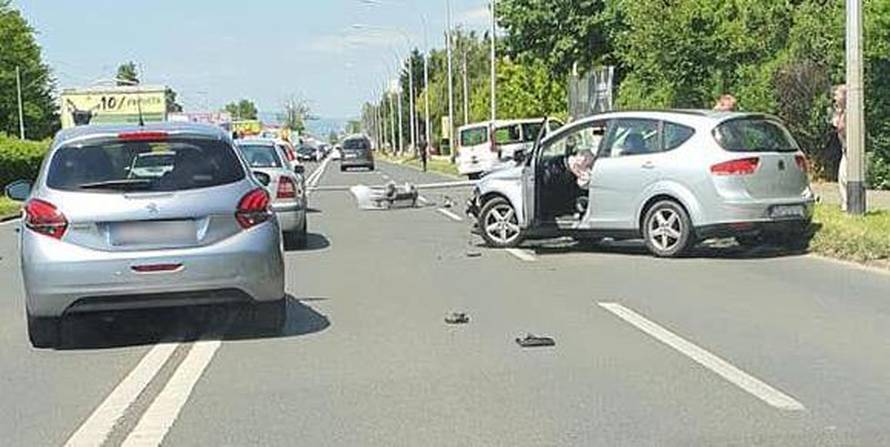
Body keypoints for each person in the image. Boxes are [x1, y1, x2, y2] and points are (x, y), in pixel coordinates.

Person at [832, 84, 848, 210]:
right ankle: (845, 203)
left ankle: (848, 204)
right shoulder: (841, 112)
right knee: (842, 177)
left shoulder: (850, 112)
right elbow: (835, 125)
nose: (835, 98)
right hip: (844, 149)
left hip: (850, 150)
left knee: (846, 176)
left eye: (837, 95)